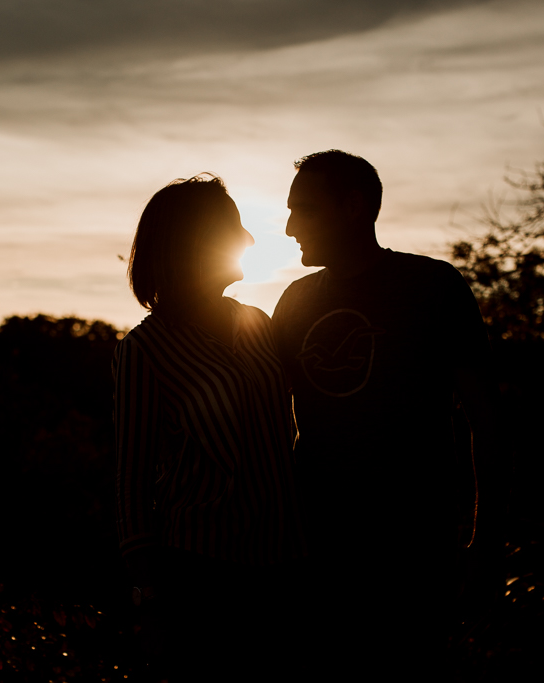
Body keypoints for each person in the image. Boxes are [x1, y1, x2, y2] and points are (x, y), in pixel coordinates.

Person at [272, 150, 505, 679]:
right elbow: (264, 419)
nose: (288, 228)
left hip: (413, 554)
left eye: (304, 210)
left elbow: (487, 419)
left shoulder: (433, 289)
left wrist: (486, 543)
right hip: (319, 555)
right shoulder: (293, 302)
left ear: (354, 207)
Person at [112, 174, 306, 682]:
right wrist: (149, 601)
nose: (249, 240)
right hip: (199, 575)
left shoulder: (258, 324)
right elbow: (131, 485)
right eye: (234, 227)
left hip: (283, 566)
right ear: (193, 242)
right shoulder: (145, 351)